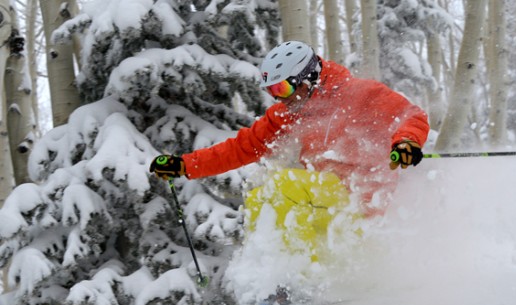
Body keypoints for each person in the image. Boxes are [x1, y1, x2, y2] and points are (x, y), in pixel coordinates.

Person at [150, 41, 429, 250]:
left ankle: (297, 280)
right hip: (326, 204)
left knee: (284, 186)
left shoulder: (359, 94)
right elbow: (242, 147)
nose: (280, 99)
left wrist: (406, 143)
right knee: (260, 195)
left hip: (366, 200)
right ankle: (280, 277)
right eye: (272, 92)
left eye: (282, 89)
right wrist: (186, 165)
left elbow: (410, 116)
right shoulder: (288, 115)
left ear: (308, 78)